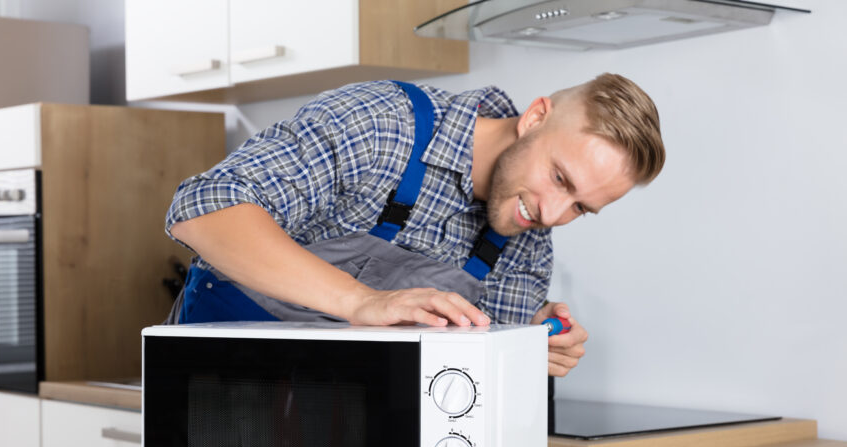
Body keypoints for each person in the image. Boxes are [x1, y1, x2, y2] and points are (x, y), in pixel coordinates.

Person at [164, 74, 664, 377]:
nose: (553, 214)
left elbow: (477, 375)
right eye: (559, 178)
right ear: (534, 118)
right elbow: (205, 208)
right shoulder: (383, 125)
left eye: (580, 207)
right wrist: (361, 301)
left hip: (353, 439)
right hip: (219, 407)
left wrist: (532, 341)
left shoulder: (526, 239)